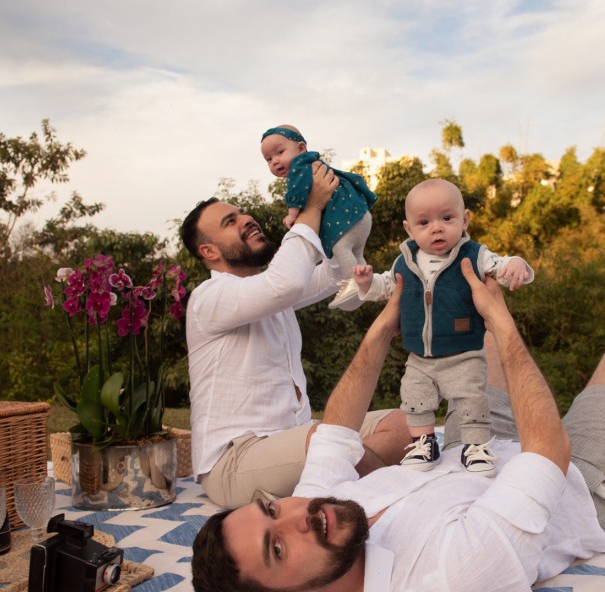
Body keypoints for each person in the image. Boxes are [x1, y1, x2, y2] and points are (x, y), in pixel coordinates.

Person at [191, 258, 605, 592]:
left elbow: (335, 432)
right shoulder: (451, 586)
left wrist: (387, 323)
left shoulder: (322, 520)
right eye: (276, 548)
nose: (295, 518)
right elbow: (547, 454)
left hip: (468, 448)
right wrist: (503, 323)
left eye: (272, 509)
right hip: (571, 480)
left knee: (474, 341)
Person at [180, 161, 410, 510]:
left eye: (242, 213)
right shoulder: (208, 299)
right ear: (209, 252)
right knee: (331, 440)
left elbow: (332, 275)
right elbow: (285, 282)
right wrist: (312, 207)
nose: (246, 219)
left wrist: (337, 219)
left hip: (297, 440)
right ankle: (398, 503)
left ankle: (324, 480)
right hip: (234, 462)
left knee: (406, 425)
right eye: (230, 222)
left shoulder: (267, 293)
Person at [353, 178, 533, 477]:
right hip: (419, 356)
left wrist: (517, 264)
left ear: (465, 220)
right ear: (409, 229)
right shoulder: (404, 262)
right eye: (423, 222)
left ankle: (475, 446)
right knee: (415, 399)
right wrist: (365, 283)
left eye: (446, 218)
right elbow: (385, 287)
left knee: (472, 399)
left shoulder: (475, 255)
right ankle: (424, 444)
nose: (436, 227)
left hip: (464, 351)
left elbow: (501, 266)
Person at [261, 125, 376, 310]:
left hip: (349, 221)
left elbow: (296, 192)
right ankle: (365, 284)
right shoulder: (312, 163)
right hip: (361, 216)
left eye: (280, 152)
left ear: (300, 148)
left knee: (341, 247)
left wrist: (292, 214)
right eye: (268, 159)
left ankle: (352, 284)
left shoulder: (300, 167)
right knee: (356, 254)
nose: (275, 161)